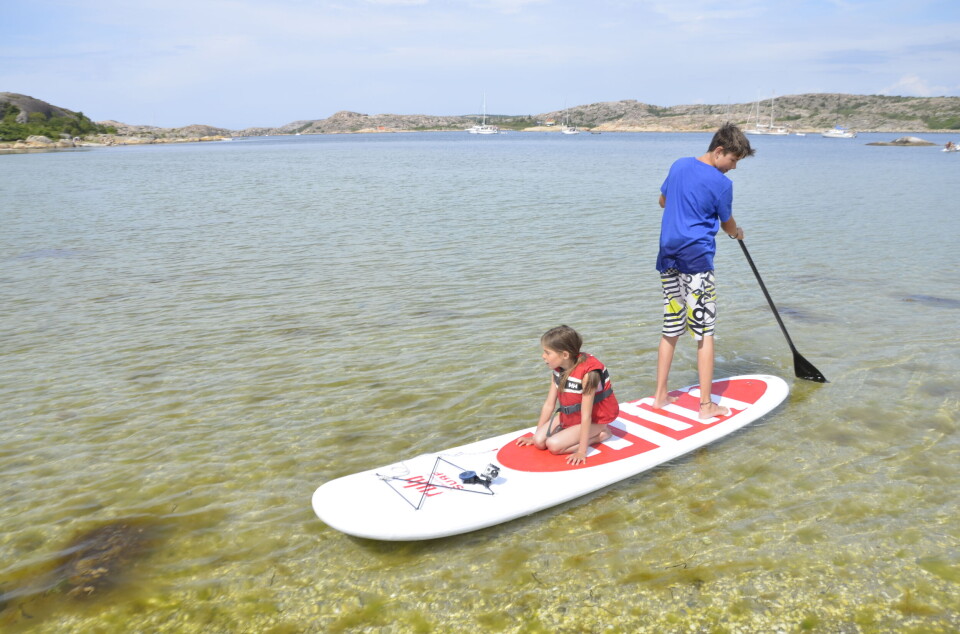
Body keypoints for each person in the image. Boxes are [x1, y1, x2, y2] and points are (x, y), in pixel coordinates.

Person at [652, 123, 755, 419]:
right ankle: (706, 406)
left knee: (671, 326)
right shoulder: (723, 184)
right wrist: (738, 233)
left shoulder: (679, 164)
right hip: (697, 261)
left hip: (668, 257)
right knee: (704, 332)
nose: (733, 167)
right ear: (719, 150)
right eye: (733, 160)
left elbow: (662, 200)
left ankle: (660, 396)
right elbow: (727, 224)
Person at [516, 325, 619, 465]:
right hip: (570, 416)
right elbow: (549, 404)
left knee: (553, 446)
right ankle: (559, 435)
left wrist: (582, 451)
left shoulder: (588, 375)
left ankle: (600, 435)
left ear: (565, 355)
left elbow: (587, 415)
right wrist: (534, 437)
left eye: (547, 352)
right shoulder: (558, 370)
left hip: (595, 420)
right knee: (539, 442)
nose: (543, 356)